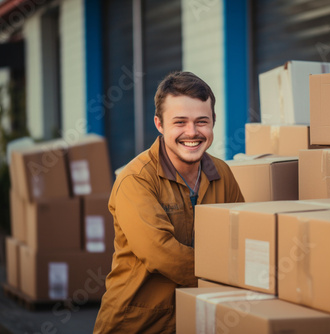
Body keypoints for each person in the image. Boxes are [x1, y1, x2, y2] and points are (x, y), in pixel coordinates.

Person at [93, 71, 245, 333]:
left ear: (213, 122)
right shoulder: (136, 179)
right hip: (138, 322)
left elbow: (242, 237)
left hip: (197, 319)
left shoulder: (222, 174)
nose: (192, 132)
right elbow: (162, 255)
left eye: (201, 121)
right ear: (159, 124)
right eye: (180, 122)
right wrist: (233, 276)